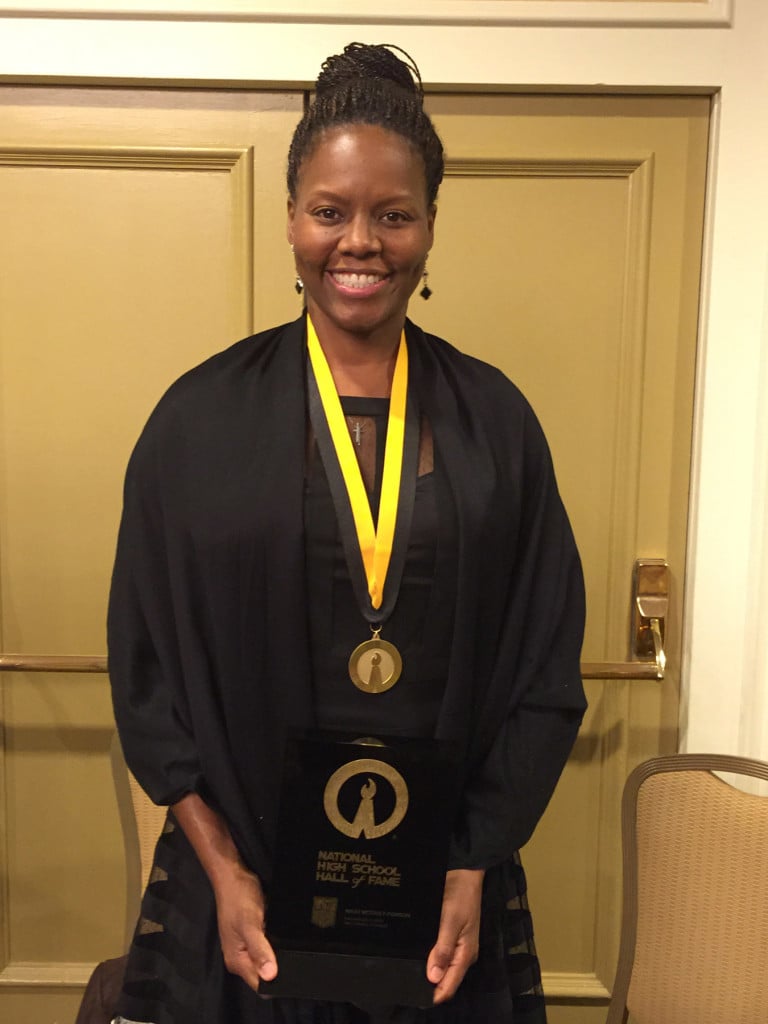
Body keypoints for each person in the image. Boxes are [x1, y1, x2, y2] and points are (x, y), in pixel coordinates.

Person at [107, 42, 586, 1024]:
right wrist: (221, 866)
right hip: (243, 898)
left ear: (430, 225)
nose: (359, 242)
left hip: (443, 904)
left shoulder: (497, 425)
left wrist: (474, 862)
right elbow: (146, 674)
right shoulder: (196, 423)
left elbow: (545, 669)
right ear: (291, 216)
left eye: (392, 214)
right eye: (330, 211)